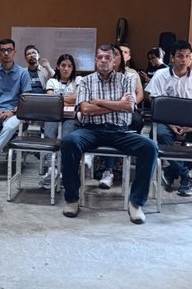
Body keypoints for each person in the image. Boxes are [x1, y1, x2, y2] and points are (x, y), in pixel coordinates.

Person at [60, 44, 158, 224]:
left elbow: (129, 107)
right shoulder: (86, 81)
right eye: (100, 57)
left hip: (119, 131)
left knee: (150, 147)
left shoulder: (126, 79)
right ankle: (72, 199)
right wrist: (117, 105)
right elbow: (85, 109)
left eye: (107, 58)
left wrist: (98, 101)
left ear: (114, 61)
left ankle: (136, 203)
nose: (103, 61)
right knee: (69, 142)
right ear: (95, 60)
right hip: (91, 130)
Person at [146, 40, 192, 197]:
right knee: (161, 135)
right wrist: (170, 124)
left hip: (190, 121)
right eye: (180, 56)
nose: (184, 60)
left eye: (188, 56)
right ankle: (185, 176)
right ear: (172, 58)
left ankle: (171, 171)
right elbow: (155, 102)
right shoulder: (161, 75)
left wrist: (191, 126)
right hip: (165, 120)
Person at [96, 43, 145, 188]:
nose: (119, 56)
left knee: (135, 120)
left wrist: (131, 104)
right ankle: (108, 170)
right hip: (106, 111)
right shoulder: (101, 73)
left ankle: (131, 150)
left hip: (127, 110)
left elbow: (139, 93)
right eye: (116, 53)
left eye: (121, 54)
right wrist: (115, 106)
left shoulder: (131, 74)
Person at [0, 38, 31, 168]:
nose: (6, 53)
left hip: (15, 113)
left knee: (9, 126)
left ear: (14, 52)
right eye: (3, 50)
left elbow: (26, 99)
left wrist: (12, 112)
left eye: (9, 50)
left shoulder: (23, 73)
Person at [40, 53, 82, 188]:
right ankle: (52, 169)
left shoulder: (78, 80)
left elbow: (77, 98)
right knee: (49, 135)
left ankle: (64, 170)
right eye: (63, 65)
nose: (66, 69)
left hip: (71, 116)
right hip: (54, 115)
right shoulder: (52, 81)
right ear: (58, 67)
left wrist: (59, 99)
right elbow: (51, 101)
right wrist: (68, 100)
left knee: (66, 138)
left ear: (73, 68)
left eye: (69, 66)